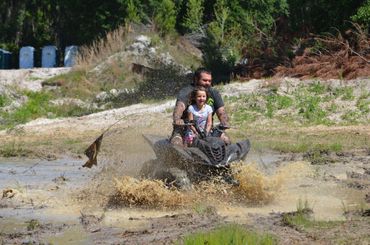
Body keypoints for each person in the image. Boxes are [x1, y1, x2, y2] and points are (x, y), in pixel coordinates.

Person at [171, 67, 230, 146]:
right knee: (176, 143)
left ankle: (229, 157)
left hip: (207, 129)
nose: (207, 83)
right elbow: (180, 106)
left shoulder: (214, 93)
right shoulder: (186, 91)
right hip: (186, 128)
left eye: (209, 81)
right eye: (204, 80)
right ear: (196, 79)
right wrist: (177, 119)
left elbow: (221, 112)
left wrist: (224, 121)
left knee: (226, 139)